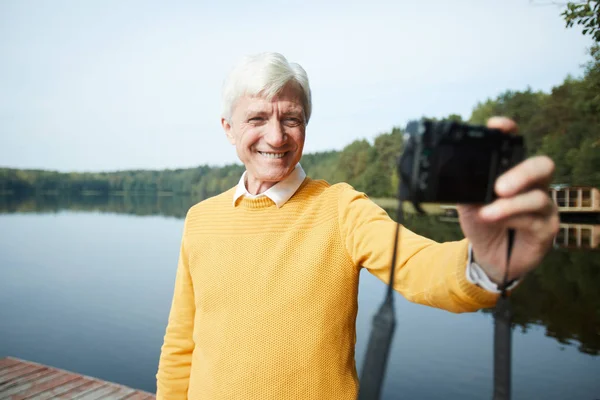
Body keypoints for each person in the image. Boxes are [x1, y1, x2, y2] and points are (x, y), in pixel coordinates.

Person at [155, 52, 559, 400]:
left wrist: (486, 263)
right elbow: (180, 344)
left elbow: (422, 267)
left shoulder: (341, 208)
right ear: (228, 128)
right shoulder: (200, 219)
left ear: (305, 127)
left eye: (291, 118)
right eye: (257, 118)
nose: (275, 136)